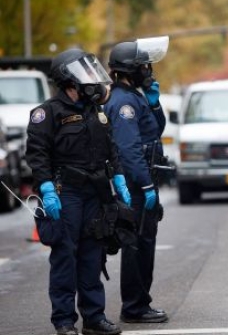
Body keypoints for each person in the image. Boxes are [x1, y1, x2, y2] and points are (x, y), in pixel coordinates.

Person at [26, 48, 132, 335]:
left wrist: (119, 179)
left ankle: (94, 318)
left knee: (92, 256)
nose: (93, 80)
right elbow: (37, 155)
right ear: (69, 79)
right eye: (84, 72)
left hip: (95, 194)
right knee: (65, 256)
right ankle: (64, 321)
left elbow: (111, 150)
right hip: (65, 193)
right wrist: (46, 188)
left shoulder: (95, 112)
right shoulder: (46, 113)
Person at [103, 36, 170, 324]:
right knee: (137, 246)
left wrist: (155, 105)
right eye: (144, 66)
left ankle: (139, 302)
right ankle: (134, 306)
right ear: (131, 69)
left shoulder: (134, 96)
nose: (149, 70)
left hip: (143, 181)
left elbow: (154, 131)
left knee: (145, 243)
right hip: (135, 185)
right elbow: (130, 150)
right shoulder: (123, 103)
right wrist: (144, 185)